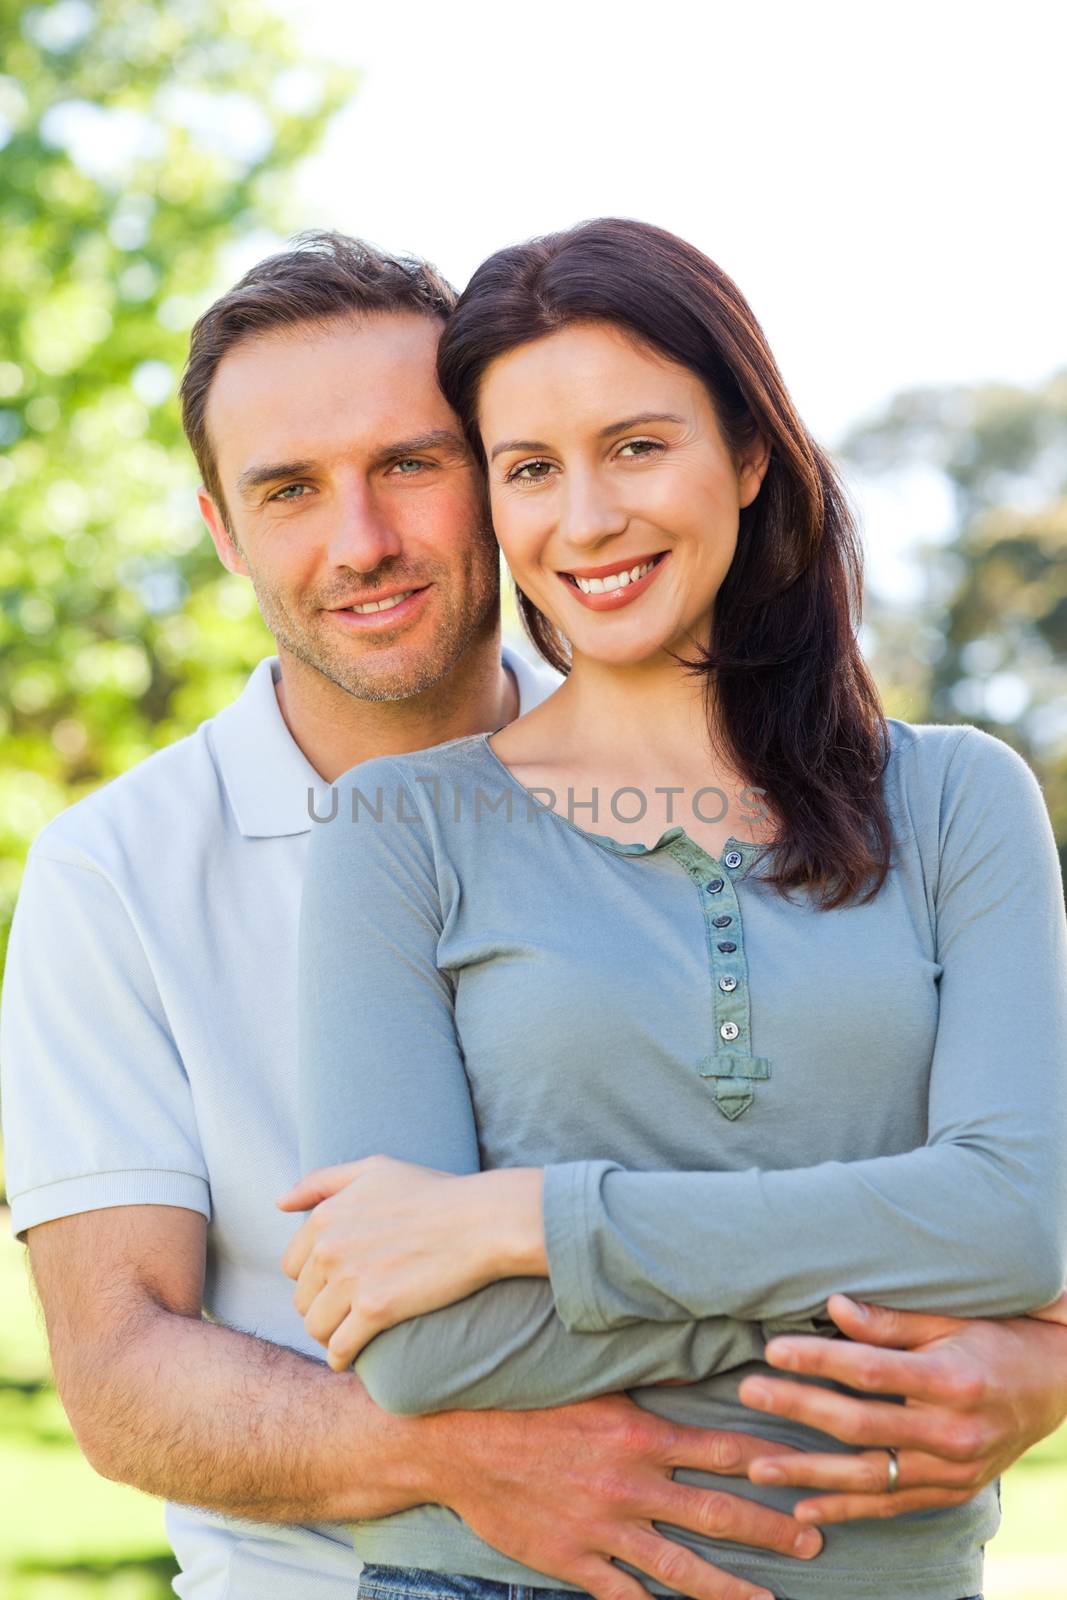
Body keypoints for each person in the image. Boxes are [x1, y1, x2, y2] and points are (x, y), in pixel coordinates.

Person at [1, 231, 1064, 1600]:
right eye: (288, 489)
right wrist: (468, 1456)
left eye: (410, 465)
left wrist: (1034, 1341)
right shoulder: (130, 872)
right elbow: (132, 1370)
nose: (362, 541)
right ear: (220, 529)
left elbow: (1007, 1220)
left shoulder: (947, 791)